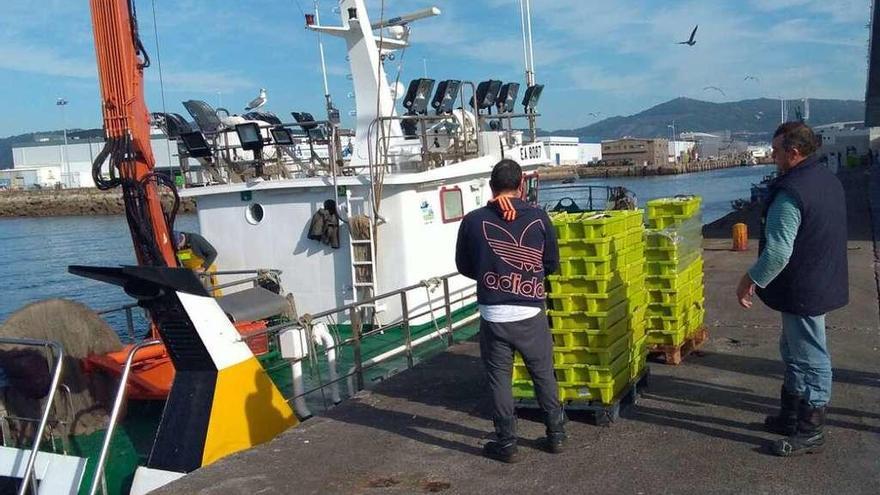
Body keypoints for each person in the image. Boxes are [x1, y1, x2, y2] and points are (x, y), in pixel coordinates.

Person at [736, 122, 848, 457]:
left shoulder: (791, 192)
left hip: (804, 286)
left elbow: (778, 252)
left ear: (793, 152)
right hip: (820, 277)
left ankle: (810, 428)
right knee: (794, 349)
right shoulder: (827, 179)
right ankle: (792, 413)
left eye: (775, 150)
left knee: (811, 356)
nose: (772, 156)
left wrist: (749, 280)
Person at [455, 159, 566, 463]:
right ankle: (556, 435)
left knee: (499, 379)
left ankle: (507, 444)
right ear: (521, 186)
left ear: (491, 186)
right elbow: (551, 263)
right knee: (543, 373)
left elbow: (463, 265)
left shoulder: (473, 220)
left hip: (493, 314)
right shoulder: (540, 217)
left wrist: (492, 275)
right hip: (530, 313)